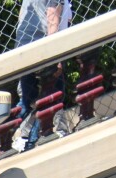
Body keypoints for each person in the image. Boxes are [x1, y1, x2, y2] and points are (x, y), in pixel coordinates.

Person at [15, 0, 71, 149]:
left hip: (23, 47)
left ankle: (3, 138)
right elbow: (53, 21)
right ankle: (32, 140)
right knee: (52, 94)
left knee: (27, 101)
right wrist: (55, 59)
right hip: (41, 49)